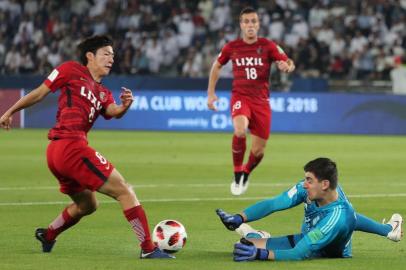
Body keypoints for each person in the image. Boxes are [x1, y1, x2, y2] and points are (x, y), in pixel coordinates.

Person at [0, 35, 173, 259]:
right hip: (71, 146)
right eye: (106, 54)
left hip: (57, 154)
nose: (111, 59)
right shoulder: (69, 70)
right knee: (124, 190)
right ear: (90, 56)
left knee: (88, 204)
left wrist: (125, 106)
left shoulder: (103, 92)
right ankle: (148, 249)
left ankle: (49, 233)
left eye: (113, 55)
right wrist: (9, 111)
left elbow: (113, 112)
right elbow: (40, 93)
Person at [216, 157, 403, 261]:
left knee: (347, 218)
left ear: (324, 184)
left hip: (322, 249)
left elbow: (299, 253)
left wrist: (260, 254)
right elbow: (274, 203)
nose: (303, 184)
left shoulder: (336, 218)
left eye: (309, 180)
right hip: (309, 236)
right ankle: (388, 230)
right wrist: (240, 217)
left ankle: (257, 236)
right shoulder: (310, 190)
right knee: (241, 248)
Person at [207, 7, 295, 196]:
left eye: (253, 21)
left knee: (259, 151)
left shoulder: (268, 45)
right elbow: (217, 66)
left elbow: (288, 62)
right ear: (241, 25)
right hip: (240, 97)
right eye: (246, 21)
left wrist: (285, 67)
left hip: (261, 102)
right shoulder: (232, 47)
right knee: (239, 131)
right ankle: (237, 171)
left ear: (258, 24)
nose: (250, 25)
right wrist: (211, 93)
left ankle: (246, 171)